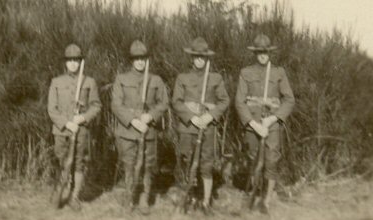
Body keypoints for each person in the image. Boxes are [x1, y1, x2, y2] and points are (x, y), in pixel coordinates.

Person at [235, 34, 295, 213]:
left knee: (271, 161)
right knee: (253, 159)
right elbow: (239, 102)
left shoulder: (279, 72)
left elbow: (289, 100)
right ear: (255, 53)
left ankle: (266, 201)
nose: (262, 55)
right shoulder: (246, 73)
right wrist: (253, 124)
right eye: (259, 52)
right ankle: (255, 193)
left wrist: (271, 119)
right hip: (252, 124)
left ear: (270, 52)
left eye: (265, 52)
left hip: (272, 124)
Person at [172, 37, 230, 215]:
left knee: (206, 164)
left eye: (202, 57)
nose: (199, 60)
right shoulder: (183, 77)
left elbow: (224, 100)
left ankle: (205, 201)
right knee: (186, 161)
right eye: (196, 56)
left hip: (207, 128)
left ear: (207, 58)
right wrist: (191, 118)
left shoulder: (215, 78)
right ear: (191, 57)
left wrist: (209, 116)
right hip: (188, 127)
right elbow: (176, 102)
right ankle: (188, 196)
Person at [111, 40, 169, 214]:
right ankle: (130, 197)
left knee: (148, 166)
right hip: (128, 132)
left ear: (146, 59)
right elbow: (116, 104)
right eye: (136, 58)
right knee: (129, 165)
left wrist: (150, 116)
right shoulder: (121, 79)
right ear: (131, 60)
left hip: (148, 131)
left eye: (143, 58)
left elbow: (163, 103)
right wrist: (134, 120)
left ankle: (144, 198)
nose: (140, 62)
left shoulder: (156, 79)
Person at [48, 43, 102, 210]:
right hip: (62, 131)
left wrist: (83, 118)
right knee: (62, 161)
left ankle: (74, 196)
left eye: (76, 60)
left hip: (81, 131)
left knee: (79, 163)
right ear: (65, 62)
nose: (73, 63)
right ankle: (59, 191)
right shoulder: (56, 81)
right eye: (70, 60)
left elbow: (96, 105)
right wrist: (67, 123)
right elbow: (52, 109)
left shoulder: (89, 81)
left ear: (80, 62)